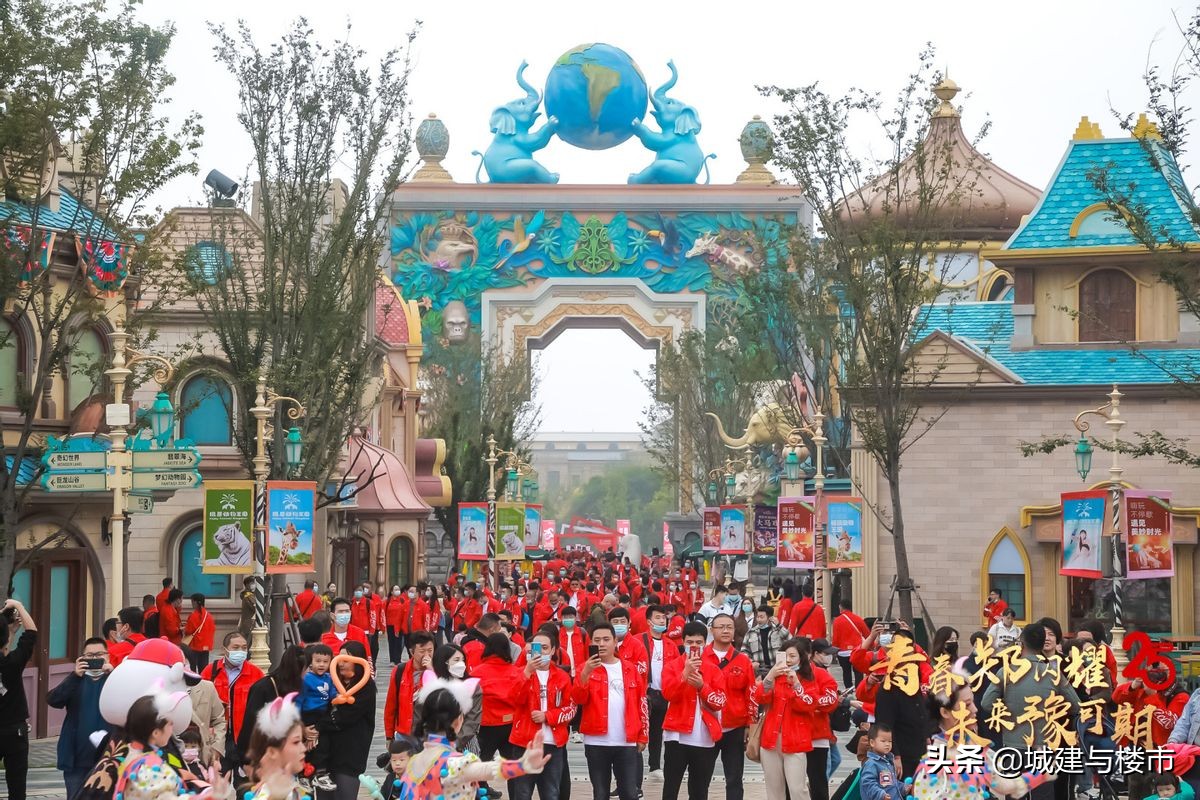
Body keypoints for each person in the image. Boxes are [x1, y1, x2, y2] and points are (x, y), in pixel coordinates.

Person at [981, 623, 1079, 800]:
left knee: (1014, 793)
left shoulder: (1007, 671)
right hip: (1044, 746)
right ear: (1042, 645)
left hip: (1012, 745)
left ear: (1021, 643)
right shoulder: (1053, 673)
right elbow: (1076, 705)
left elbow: (986, 703)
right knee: (1043, 795)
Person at [401, 685, 550, 800]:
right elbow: (488, 770)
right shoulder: (455, 763)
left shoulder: (413, 762)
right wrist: (523, 765)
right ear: (459, 720)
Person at [913, 681, 1050, 800]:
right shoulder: (937, 758)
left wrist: (1041, 772)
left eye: (972, 702)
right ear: (945, 712)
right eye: (967, 705)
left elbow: (1005, 784)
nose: (975, 709)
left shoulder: (973, 746)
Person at [573, 622, 648, 800]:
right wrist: (585, 673)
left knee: (630, 793)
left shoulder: (630, 669)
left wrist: (643, 735)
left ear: (615, 641)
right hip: (597, 741)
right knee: (600, 793)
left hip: (626, 741)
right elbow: (578, 699)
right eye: (597, 640)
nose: (601, 644)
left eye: (606, 639)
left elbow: (641, 703)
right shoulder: (584, 668)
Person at [754, 636, 836, 800]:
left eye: (793, 656)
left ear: (804, 656)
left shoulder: (813, 676)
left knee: (802, 787)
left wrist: (797, 685)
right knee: (775, 789)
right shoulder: (776, 676)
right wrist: (769, 677)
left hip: (803, 737)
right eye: (785, 655)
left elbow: (809, 704)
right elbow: (760, 698)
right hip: (772, 738)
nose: (789, 660)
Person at [115, 694, 230, 800]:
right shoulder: (148, 768)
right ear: (156, 733)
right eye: (170, 724)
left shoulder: (130, 751)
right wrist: (212, 795)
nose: (172, 728)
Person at [662, 621, 727, 800]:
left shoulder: (713, 670)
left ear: (705, 644)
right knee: (670, 787)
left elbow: (720, 701)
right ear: (683, 642)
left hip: (704, 737)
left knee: (699, 790)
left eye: (699, 642)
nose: (694, 646)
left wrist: (702, 687)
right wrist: (684, 674)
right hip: (676, 735)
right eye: (690, 642)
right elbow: (668, 694)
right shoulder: (672, 666)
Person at [509, 630, 576, 800]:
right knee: (522, 793)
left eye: (545, 648)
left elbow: (571, 708)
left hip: (553, 743)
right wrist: (527, 672)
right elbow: (514, 699)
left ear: (553, 650)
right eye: (535, 649)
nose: (539, 653)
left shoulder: (562, 677)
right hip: (525, 743)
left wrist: (548, 716)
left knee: (551, 793)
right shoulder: (520, 672)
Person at [47, 636, 111, 797]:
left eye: (99, 654)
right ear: (81, 658)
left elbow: (129, 703)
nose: (95, 658)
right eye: (89, 655)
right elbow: (54, 700)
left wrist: (113, 674)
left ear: (108, 656)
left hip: (108, 758)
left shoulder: (114, 680)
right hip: (76, 759)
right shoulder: (76, 681)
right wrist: (75, 675)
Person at [200, 631, 265, 771]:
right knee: (217, 781)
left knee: (245, 785)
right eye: (236, 648)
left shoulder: (256, 673)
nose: (240, 651)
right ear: (225, 650)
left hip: (245, 738)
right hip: (217, 737)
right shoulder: (210, 671)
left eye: (244, 648)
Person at [708, 613, 754, 800]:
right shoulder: (701, 657)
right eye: (721, 627)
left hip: (734, 727)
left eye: (729, 627)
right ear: (712, 630)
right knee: (700, 777)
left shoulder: (743, 660)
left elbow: (751, 694)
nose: (725, 631)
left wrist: (749, 724)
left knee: (734, 778)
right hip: (706, 727)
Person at [324, 640, 376, 799]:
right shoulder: (329, 682)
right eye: (339, 659)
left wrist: (319, 725)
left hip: (351, 754)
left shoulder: (366, 687)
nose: (341, 664)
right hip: (328, 753)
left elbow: (345, 718)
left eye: (346, 660)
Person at [236, 645, 306, 761]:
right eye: (306, 669)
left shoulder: (300, 687)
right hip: (263, 754)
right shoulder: (263, 687)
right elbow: (251, 722)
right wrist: (246, 757)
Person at [413, 644, 483, 757]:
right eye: (456, 660)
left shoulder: (473, 687)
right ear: (443, 662)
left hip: (464, 745)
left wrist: (454, 743)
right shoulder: (432, 685)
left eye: (463, 660)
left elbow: (472, 720)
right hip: (432, 745)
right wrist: (429, 741)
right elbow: (419, 716)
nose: (461, 664)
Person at [0, 597, 36, 800]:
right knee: (16, 787)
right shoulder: (13, 664)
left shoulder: (10, 660)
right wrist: (19, 606)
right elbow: (31, 633)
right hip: (15, 731)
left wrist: (9, 633)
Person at [242, 692, 309, 800]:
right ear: (272, 752)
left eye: (302, 741)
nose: (304, 749)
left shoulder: (286, 790)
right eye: (296, 742)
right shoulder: (270, 794)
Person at [641, 605, 676, 777]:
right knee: (638, 730)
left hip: (664, 694)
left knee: (657, 731)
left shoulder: (671, 644)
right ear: (649, 621)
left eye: (664, 617)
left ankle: (654, 766)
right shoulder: (639, 641)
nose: (662, 620)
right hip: (645, 693)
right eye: (658, 617)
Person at [384, 631, 436, 740]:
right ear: (412, 652)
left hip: (430, 734)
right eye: (422, 651)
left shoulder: (438, 671)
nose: (427, 655)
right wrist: (389, 736)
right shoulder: (400, 671)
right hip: (405, 734)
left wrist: (432, 671)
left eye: (430, 651)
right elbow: (391, 705)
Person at [300, 643, 336, 792]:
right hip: (308, 715)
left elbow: (333, 694)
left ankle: (320, 773)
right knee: (306, 746)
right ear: (310, 662)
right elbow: (300, 699)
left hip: (323, 715)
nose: (321, 665)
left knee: (323, 744)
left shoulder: (329, 678)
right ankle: (303, 774)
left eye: (325, 662)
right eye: (318, 661)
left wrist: (338, 699)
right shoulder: (306, 679)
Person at [188, 674, 228, 768]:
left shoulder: (207, 687)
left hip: (202, 755)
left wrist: (216, 748)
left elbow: (219, 721)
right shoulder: (161, 687)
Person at [831, 598, 869, 687]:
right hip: (856, 651)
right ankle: (859, 690)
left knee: (846, 671)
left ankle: (849, 690)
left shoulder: (837, 621)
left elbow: (835, 638)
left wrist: (834, 650)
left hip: (843, 652)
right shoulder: (858, 619)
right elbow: (867, 634)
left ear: (841, 607)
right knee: (858, 672)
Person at [858, 725, 903, 800]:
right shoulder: (871, 763)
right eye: (883, 741)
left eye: (890, 741)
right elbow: (868, 783)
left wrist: (903, 788)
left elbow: (892, 784)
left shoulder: (888, 761)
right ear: (872, 742)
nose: (887, 744)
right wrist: (881, 794)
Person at [743, 605, 787, 679]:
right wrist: (752, 662)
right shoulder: (751, 633)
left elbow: (790, 640)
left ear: (769, 618)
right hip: (759, 672)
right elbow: (744, 651)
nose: (759, 619)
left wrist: (779, 625)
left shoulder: (778, 630)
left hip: (777, 670)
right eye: (757, 617)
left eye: (761, 617)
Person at [183, 593, 216, 672]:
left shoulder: (193, 616)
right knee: (204, 667)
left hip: (196, 645)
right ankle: (203, 681)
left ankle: (194, 682)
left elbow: (189, 631)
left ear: (195, 602)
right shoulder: (209, 616)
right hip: (206, 645)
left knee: (193, 666)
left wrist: (184, 629)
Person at [385, 585, 407, 663]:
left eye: (398, 589)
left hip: (399, 624)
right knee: (391, 642)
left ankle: (397, 659)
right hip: (390, 624)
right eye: (395, 589)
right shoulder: (387, 601)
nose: (397, 590)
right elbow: (383, 612)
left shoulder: (402, 600)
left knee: (398, 642)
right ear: (391, 592)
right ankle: (392, 660)